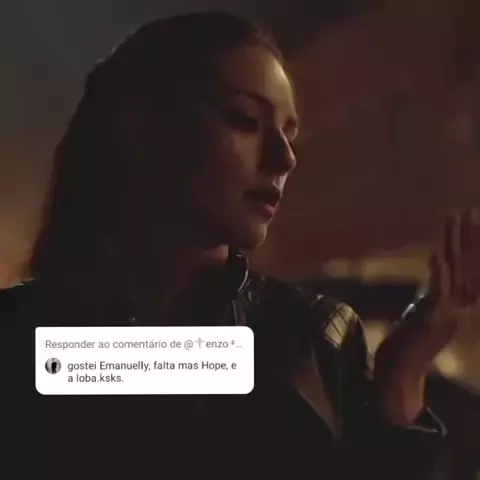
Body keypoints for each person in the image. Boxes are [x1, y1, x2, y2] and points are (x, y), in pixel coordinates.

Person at [2, 10, 480, 480]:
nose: (284, 158)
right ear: (142, 128)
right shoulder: (20, 336)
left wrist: (403, 378)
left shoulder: (318, 339)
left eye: (289, 133)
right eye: (245, 120)